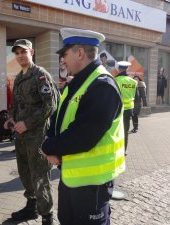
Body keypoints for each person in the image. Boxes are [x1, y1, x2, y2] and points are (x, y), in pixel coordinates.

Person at [41, 28, 125, 225]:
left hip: (92, 184)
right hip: (71, 176)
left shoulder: (102, 85)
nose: (62, 60)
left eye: (65, 54)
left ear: (79, 53)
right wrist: (50, 140)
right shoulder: (76, 82)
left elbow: (84, 135)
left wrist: (48, 147)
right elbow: (59, 118)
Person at [3, 39, 58, 225]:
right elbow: (17, 104)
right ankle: (31, 207)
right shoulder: (18, 77)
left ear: (31, 52)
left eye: (23, 52)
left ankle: (47, 216)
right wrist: (11, 118)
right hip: (21, 135)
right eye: (17, 53)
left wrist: (27, 123)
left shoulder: (40, 75)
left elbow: (50, 105)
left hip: (37, 134)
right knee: (25, 172)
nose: (20, 56)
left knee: (40, 175)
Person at [115, 61, 138, 153]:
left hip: (118, 110)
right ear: (126, 69)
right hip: (129, 110)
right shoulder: (133, 82)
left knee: (116, 130)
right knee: (125, 130)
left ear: (119, 69)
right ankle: (124, 150)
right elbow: (137, 97)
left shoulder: (116, 80)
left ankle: (117, 149)